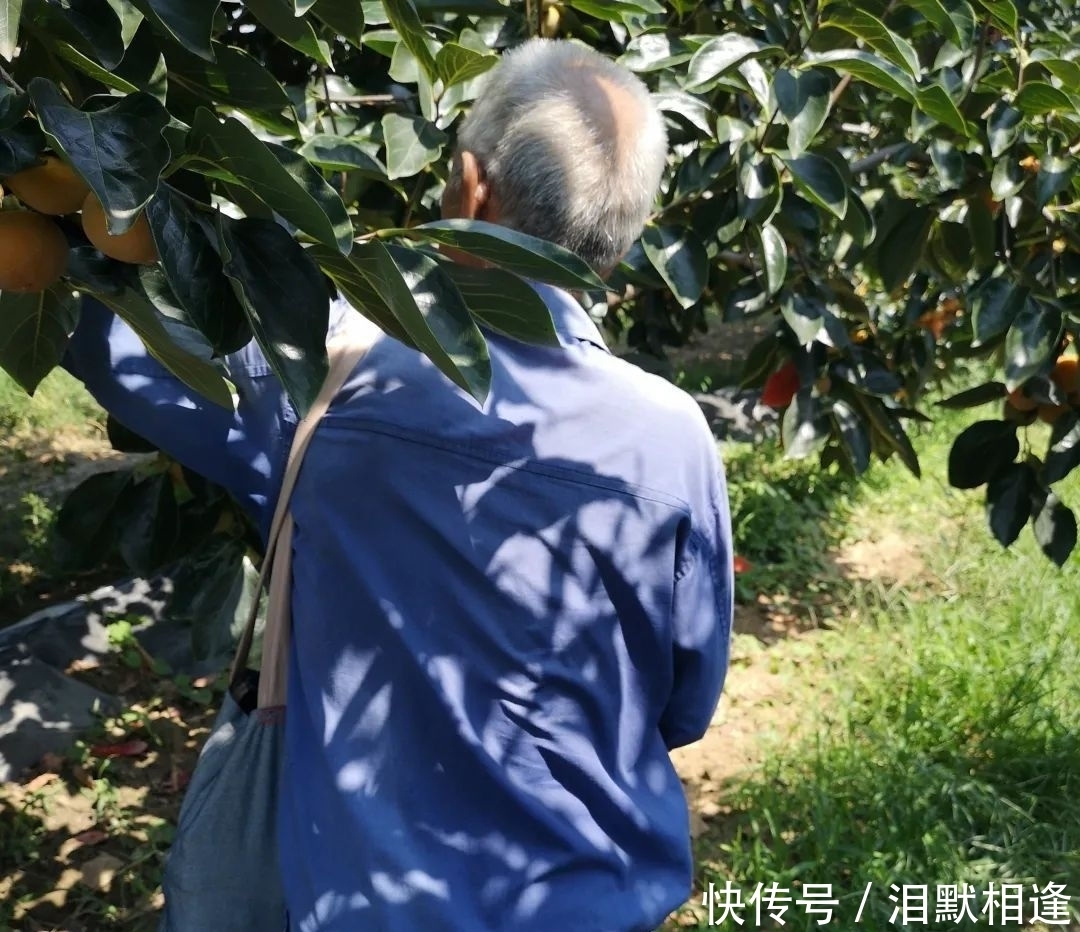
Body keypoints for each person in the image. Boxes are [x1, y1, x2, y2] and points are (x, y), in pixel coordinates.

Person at [64, 38, 734, 932]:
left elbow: (111, 339)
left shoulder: (321, 382)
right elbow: (683, 701)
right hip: (589, 903)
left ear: (468, 186)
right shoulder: (673, 442)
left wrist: (68, 171)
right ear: (621, 233)